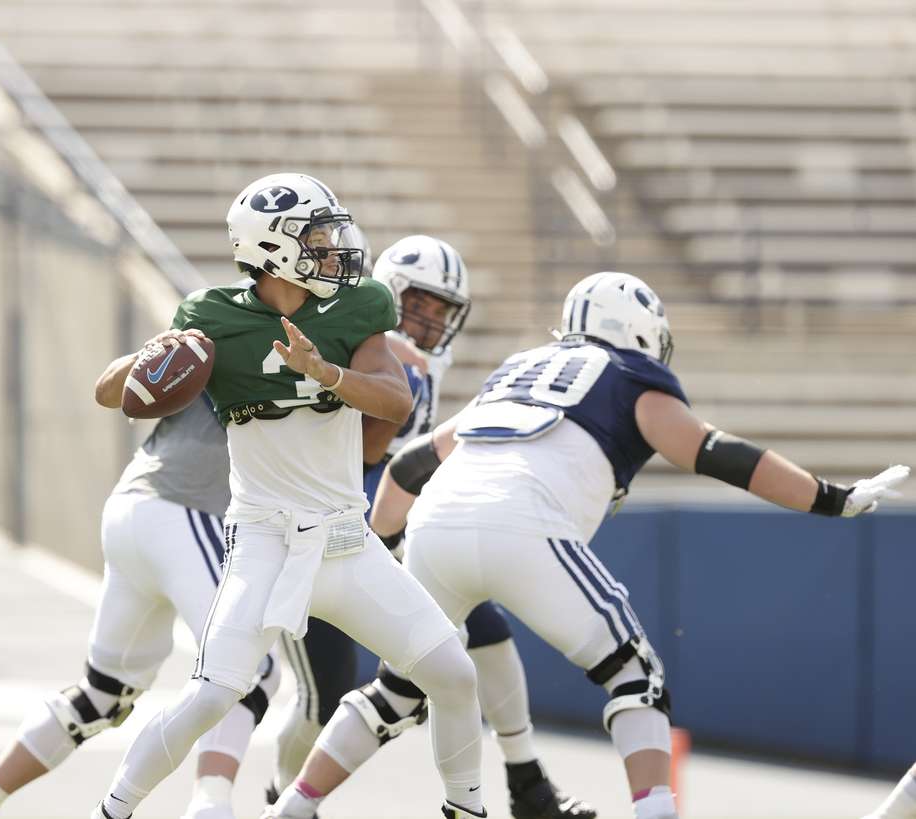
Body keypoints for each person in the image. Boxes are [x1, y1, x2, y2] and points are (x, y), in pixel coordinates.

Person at [283, 270, 910, 819]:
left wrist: (382, 549)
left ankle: (294, 806)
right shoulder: (629, 377)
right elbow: (718, 454)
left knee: (397, 691)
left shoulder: (518, 369)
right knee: (637, 679)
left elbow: (412, 465)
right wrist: (831, 496)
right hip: (525, 524)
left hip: (437, 523)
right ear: (640, 331)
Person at [93, 172, 488, 819]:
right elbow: (111, 392)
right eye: (319, 237)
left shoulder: (357, 309)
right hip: (266, 545)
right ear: (275, 247)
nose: (336, 248)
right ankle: (111, 809)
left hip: (346, 543)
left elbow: (393, 396)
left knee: (453, 673)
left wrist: (326, 372)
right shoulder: (212, 317)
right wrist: (151, 357)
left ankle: (468, 810)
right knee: (212, 695)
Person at [270, 236, 595, 819]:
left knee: (476, 638)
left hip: (374, 527)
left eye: (441, 310)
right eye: (419, 303)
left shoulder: (412, 368)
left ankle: (525, 782)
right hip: (327, 529)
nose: (429, 320)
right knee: (325, 694)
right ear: (389, 295)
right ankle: (276, 797)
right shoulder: (369, 347)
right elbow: (363, 455)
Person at [0, 387, 280, 819]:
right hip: (184, 505)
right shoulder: (272, 325)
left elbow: (113, 385)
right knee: (249, 672)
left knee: (102, 695)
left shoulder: (212, 321)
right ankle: (209, 807)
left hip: (131, 505)